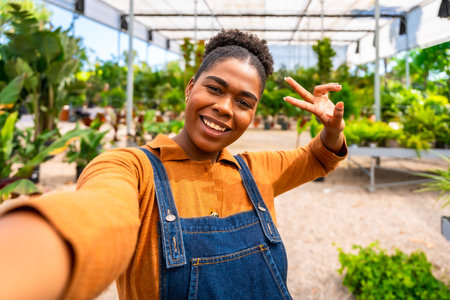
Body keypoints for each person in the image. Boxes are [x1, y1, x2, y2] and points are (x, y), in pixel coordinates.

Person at [0, 29, 347, 300]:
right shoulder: (132, 169)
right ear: (190, 87)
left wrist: (332, 130)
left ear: (252, 115)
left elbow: (318, 157)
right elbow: (96, 216)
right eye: (215, 89)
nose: (226, 108)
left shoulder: (256, 171)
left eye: (243, 102)